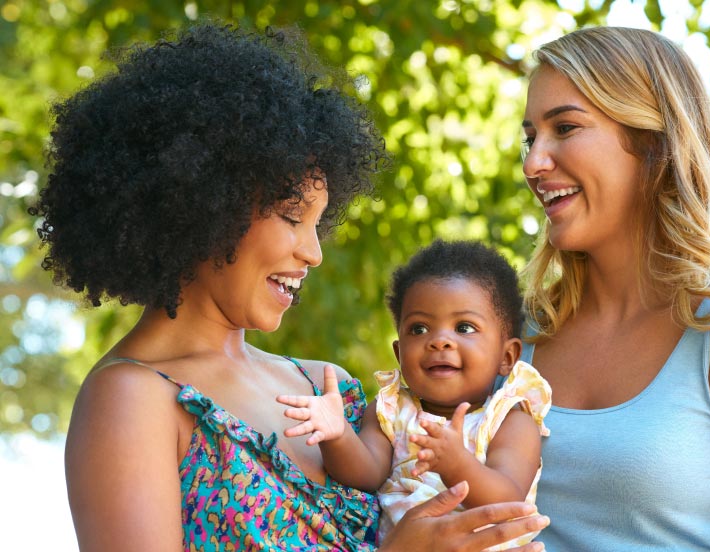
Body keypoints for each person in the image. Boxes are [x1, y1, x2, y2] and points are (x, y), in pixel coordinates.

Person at [30, 22, 549, 552]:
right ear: (203, 201)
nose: (314, 252)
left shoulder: (328, 387)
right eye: (291, 216)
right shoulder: (132, 398)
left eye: (318, 225)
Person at [518, 26, 710, 550]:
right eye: (530, 139)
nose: (532, 164)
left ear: (652, 141)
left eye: (565, 128)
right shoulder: (520, 330)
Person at [277, 239, 551, 547]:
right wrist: (337, 436)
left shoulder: (510, 421)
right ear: (399, 353)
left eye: (464, 327)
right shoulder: (391, 411)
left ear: (507, 357)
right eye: (419, 329)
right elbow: (366, 473)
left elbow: (507, 496)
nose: (439, 341)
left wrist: (456, 464)